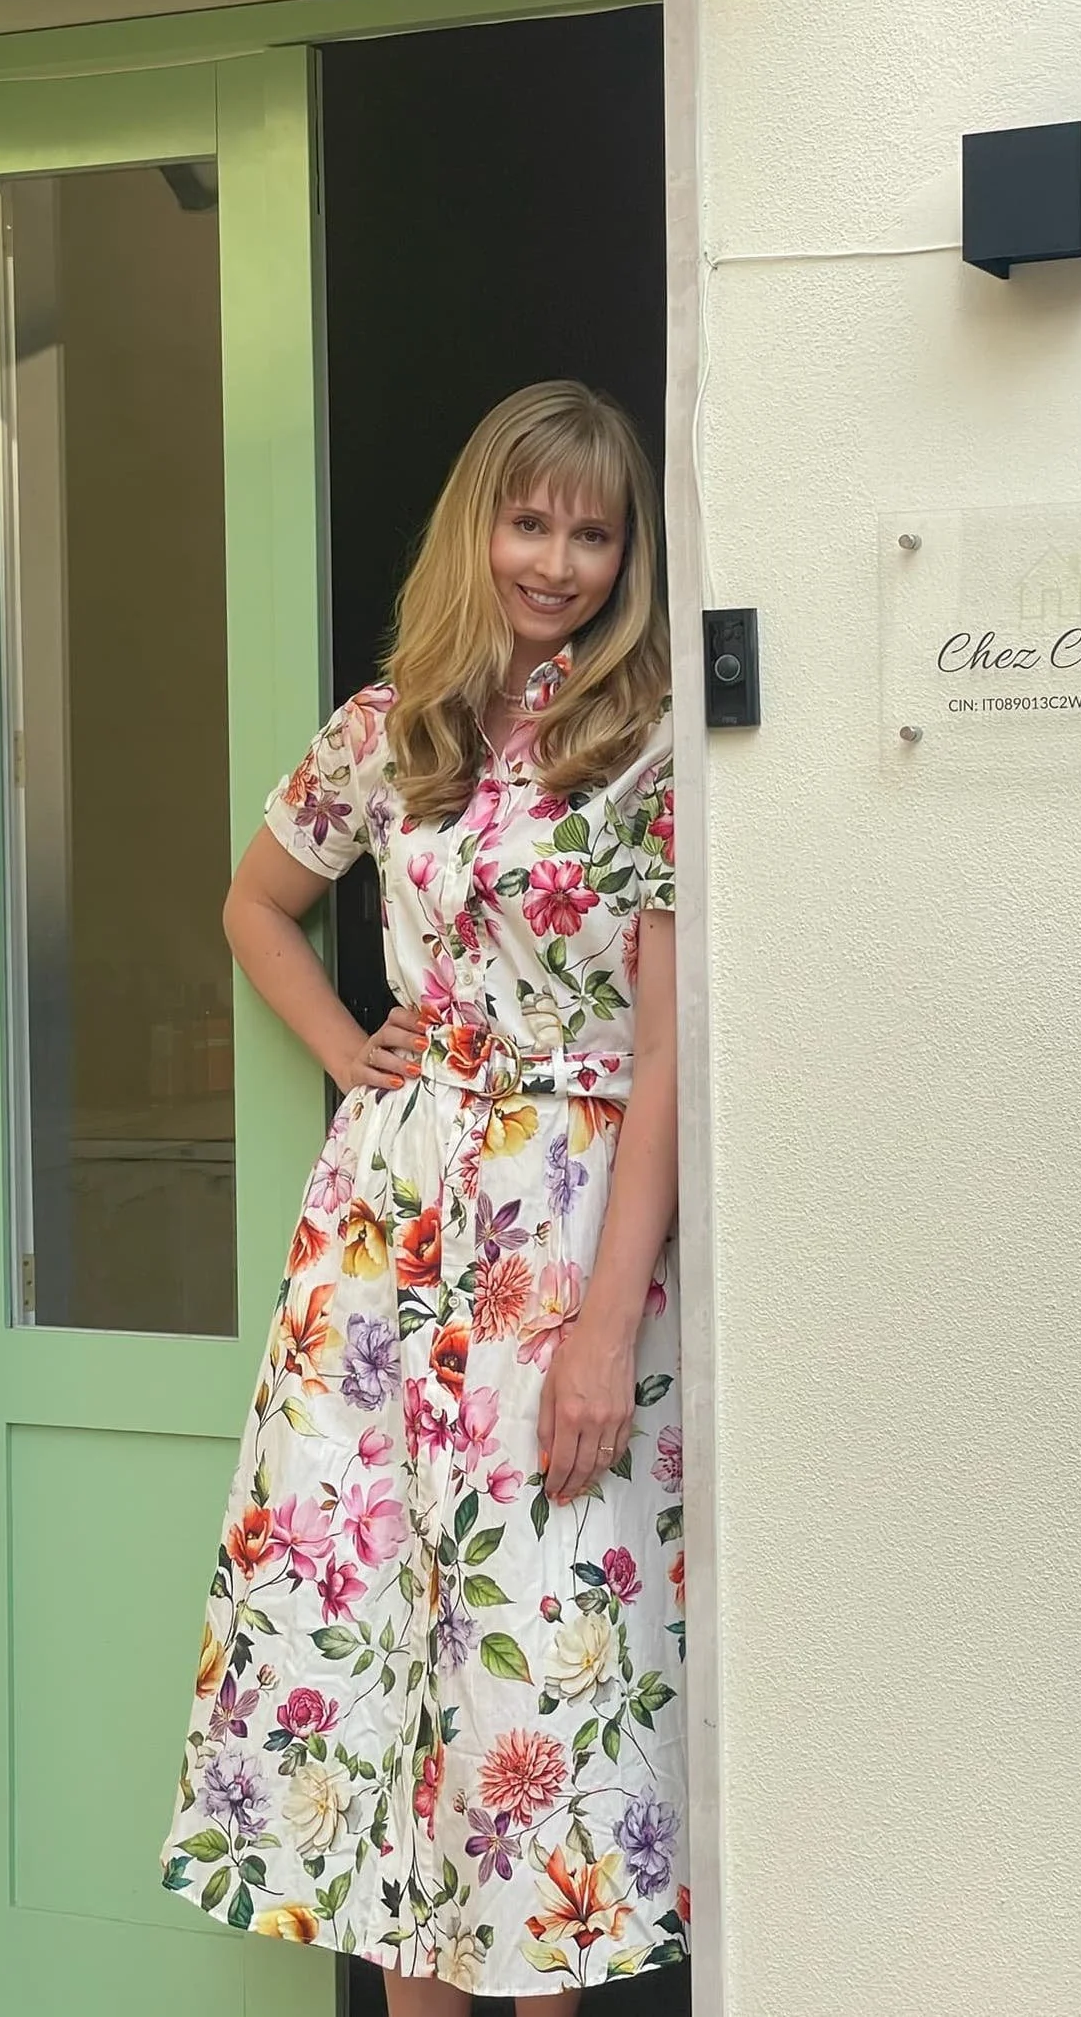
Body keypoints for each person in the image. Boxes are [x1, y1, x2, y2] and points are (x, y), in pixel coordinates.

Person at [159, 380, 687, 2012]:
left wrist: (605, 1327)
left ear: (625, 549)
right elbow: (256, 901)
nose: (558, 559)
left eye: (592, 530)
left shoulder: (654, 736)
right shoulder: (399, 725)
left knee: (540, 1701)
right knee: (390, 1680)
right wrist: (345, 1043)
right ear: (481, 522)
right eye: (530, 520)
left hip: (563, 1240)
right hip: (386, 1249)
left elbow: (667, 1058)